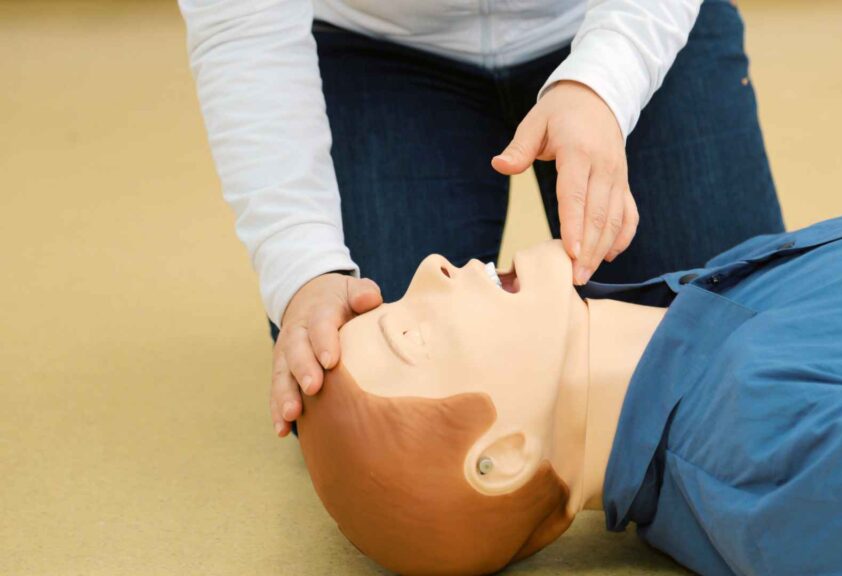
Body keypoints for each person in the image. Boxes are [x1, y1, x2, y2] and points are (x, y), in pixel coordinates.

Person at [298, 192, 842, 576]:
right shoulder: (764, 444)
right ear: (506, 455)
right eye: (411, 333)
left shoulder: (694, 325)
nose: (429, 268)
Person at [176, 0, 785, 437]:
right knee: (365, 402)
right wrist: (303, 267)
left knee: (747, 364)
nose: (443, 272)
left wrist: (601, 86)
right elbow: (240, 28)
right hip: (373, 45)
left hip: (612, 15)